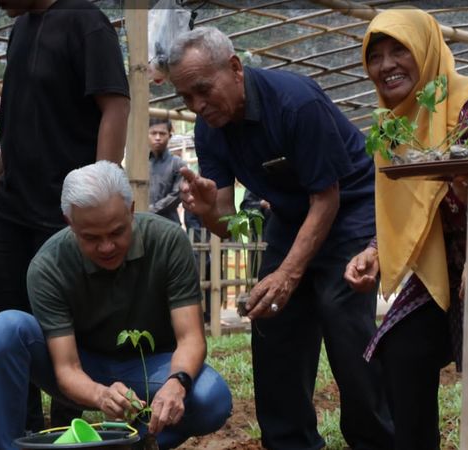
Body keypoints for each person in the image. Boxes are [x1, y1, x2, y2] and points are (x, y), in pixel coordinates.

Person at [168, 27, 394, 449]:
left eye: (202, 90)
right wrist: (205, 211)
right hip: (291, 216)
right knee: (272, 320)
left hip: (349, 207)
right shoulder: (209, 127)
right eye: (186, 98)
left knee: (341, 314)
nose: (197, 105)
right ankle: (289, 442)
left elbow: (326, 198)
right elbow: (227, 224)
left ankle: (377, 441)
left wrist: (288, 276)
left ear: (234, 68)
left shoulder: (295, 101)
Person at [0, 161, 232, 450]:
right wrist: (100, 395)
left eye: (116, 232)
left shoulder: (167, 241)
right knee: (5, 328)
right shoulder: (49, 265)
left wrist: (176, 383)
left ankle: (134, 443)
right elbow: (67, 369)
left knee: (212, 398)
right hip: (82, 365)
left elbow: (191, 338)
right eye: (91, 238)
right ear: (70, 223)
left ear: (131, 210)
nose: (106, 247)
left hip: (149, 367)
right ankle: (2, 446)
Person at [0, 0, 130, 431]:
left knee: (67, 315)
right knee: (1, 306)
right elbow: (23, 114)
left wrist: (98, 193)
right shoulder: (21, 28)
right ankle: (18, 427)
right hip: (14, 200)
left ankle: (68, 426)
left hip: (65, 206)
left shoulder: (85, 21)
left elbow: (116, 105)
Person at [344, 9, 468, 449]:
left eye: (399, 49)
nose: (386, 65)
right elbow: (410, 209)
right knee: (400, 348)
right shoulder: (390, 127)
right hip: (443, 269)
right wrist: (376, 251)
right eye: (374, 56)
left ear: (427, 49)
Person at [148, 118, 185, 226]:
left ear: (170, 136)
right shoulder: (141, 164)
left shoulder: (177, 163)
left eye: (162, 133)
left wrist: (151, 210)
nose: (158, 138)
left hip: (169, 224)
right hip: (144, 223)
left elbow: (176, 195)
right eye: (153, 133)